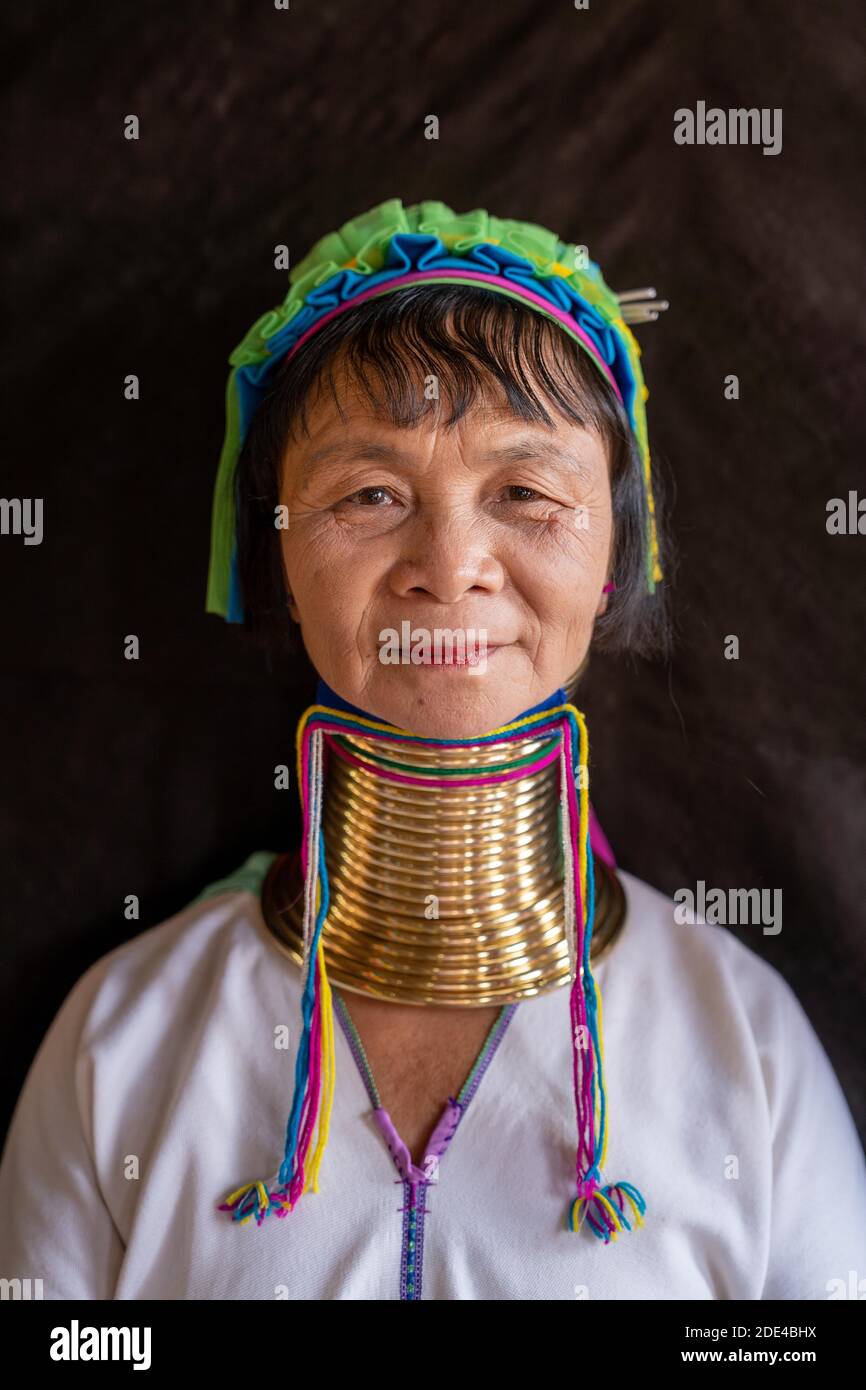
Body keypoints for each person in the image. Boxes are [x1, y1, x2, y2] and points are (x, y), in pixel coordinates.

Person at [2, 198, 865, 1301]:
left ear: (613, 555)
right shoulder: (121, 1046)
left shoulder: (744, 1050)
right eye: (369, 494)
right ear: (274, 559)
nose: (449, 563)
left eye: (523, 492)